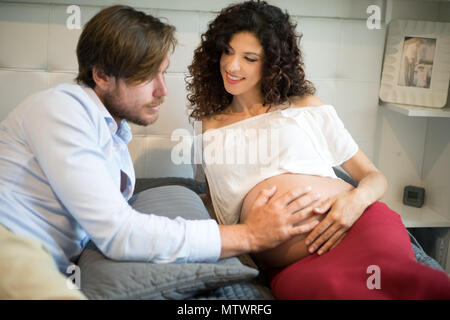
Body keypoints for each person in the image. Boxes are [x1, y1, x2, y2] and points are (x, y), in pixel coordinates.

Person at [0, 5, 322, 299]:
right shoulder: (61, 110)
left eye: (163, 72)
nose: (162, 91)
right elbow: (119, 232)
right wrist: (250, 236)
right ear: (101, 76)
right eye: (146, 76)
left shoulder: (111, 136)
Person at [186, 0, 450, 299]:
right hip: (293, 263)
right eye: (228, 51)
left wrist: (353, 204)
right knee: (324, 291)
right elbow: (218, 200)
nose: (232, 66)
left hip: (357, 227)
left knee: (416, 285)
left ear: (272, 62)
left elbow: (374, 177)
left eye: (249, 57)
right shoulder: (207, 125)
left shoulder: (306, 106)